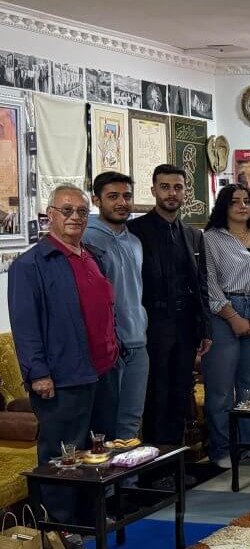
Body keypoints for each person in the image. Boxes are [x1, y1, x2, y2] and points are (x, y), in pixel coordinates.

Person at [9, 186, 119, 524]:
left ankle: (91, 520)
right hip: (62, 378)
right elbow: (25, 326)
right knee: (62, 457)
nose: (75, 217)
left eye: (82, 212)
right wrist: (38, 373)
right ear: (50, 215)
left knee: (98, 452)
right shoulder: (30, 265)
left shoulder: (92, 256)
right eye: (66, 210)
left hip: (103, 371)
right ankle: (60, 530)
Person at [128, 165, 211, 450]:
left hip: (185, 325)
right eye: (165, 187)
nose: (171, 193)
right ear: (153, 191)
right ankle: (154, 462)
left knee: (179, 394)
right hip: (151, 325)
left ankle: (175, 460)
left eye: (177, 187)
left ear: (185, 191)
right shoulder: (134, 232)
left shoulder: (193, 235)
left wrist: (205, 329)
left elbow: (201, 285)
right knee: (155, 396)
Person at [203, 183, 250, 468]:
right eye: (235, 201)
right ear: (224, 206)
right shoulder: (210, 239)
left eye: (246, 201)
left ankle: (248, 443)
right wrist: (232, 316)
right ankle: (222, 449)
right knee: (221, 388)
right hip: (224, 312)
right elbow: (209, 281)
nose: (242, 206)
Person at [84, 171, 148, 441]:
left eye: (126, 196)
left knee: (131, 422)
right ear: (96, 200)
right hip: (107, 347)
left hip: (138, 343)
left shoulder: (135, 241)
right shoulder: (87, 240)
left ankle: (128, 470)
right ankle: (107, 473)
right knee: (105, 425)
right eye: (113, 196)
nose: (122, 202)